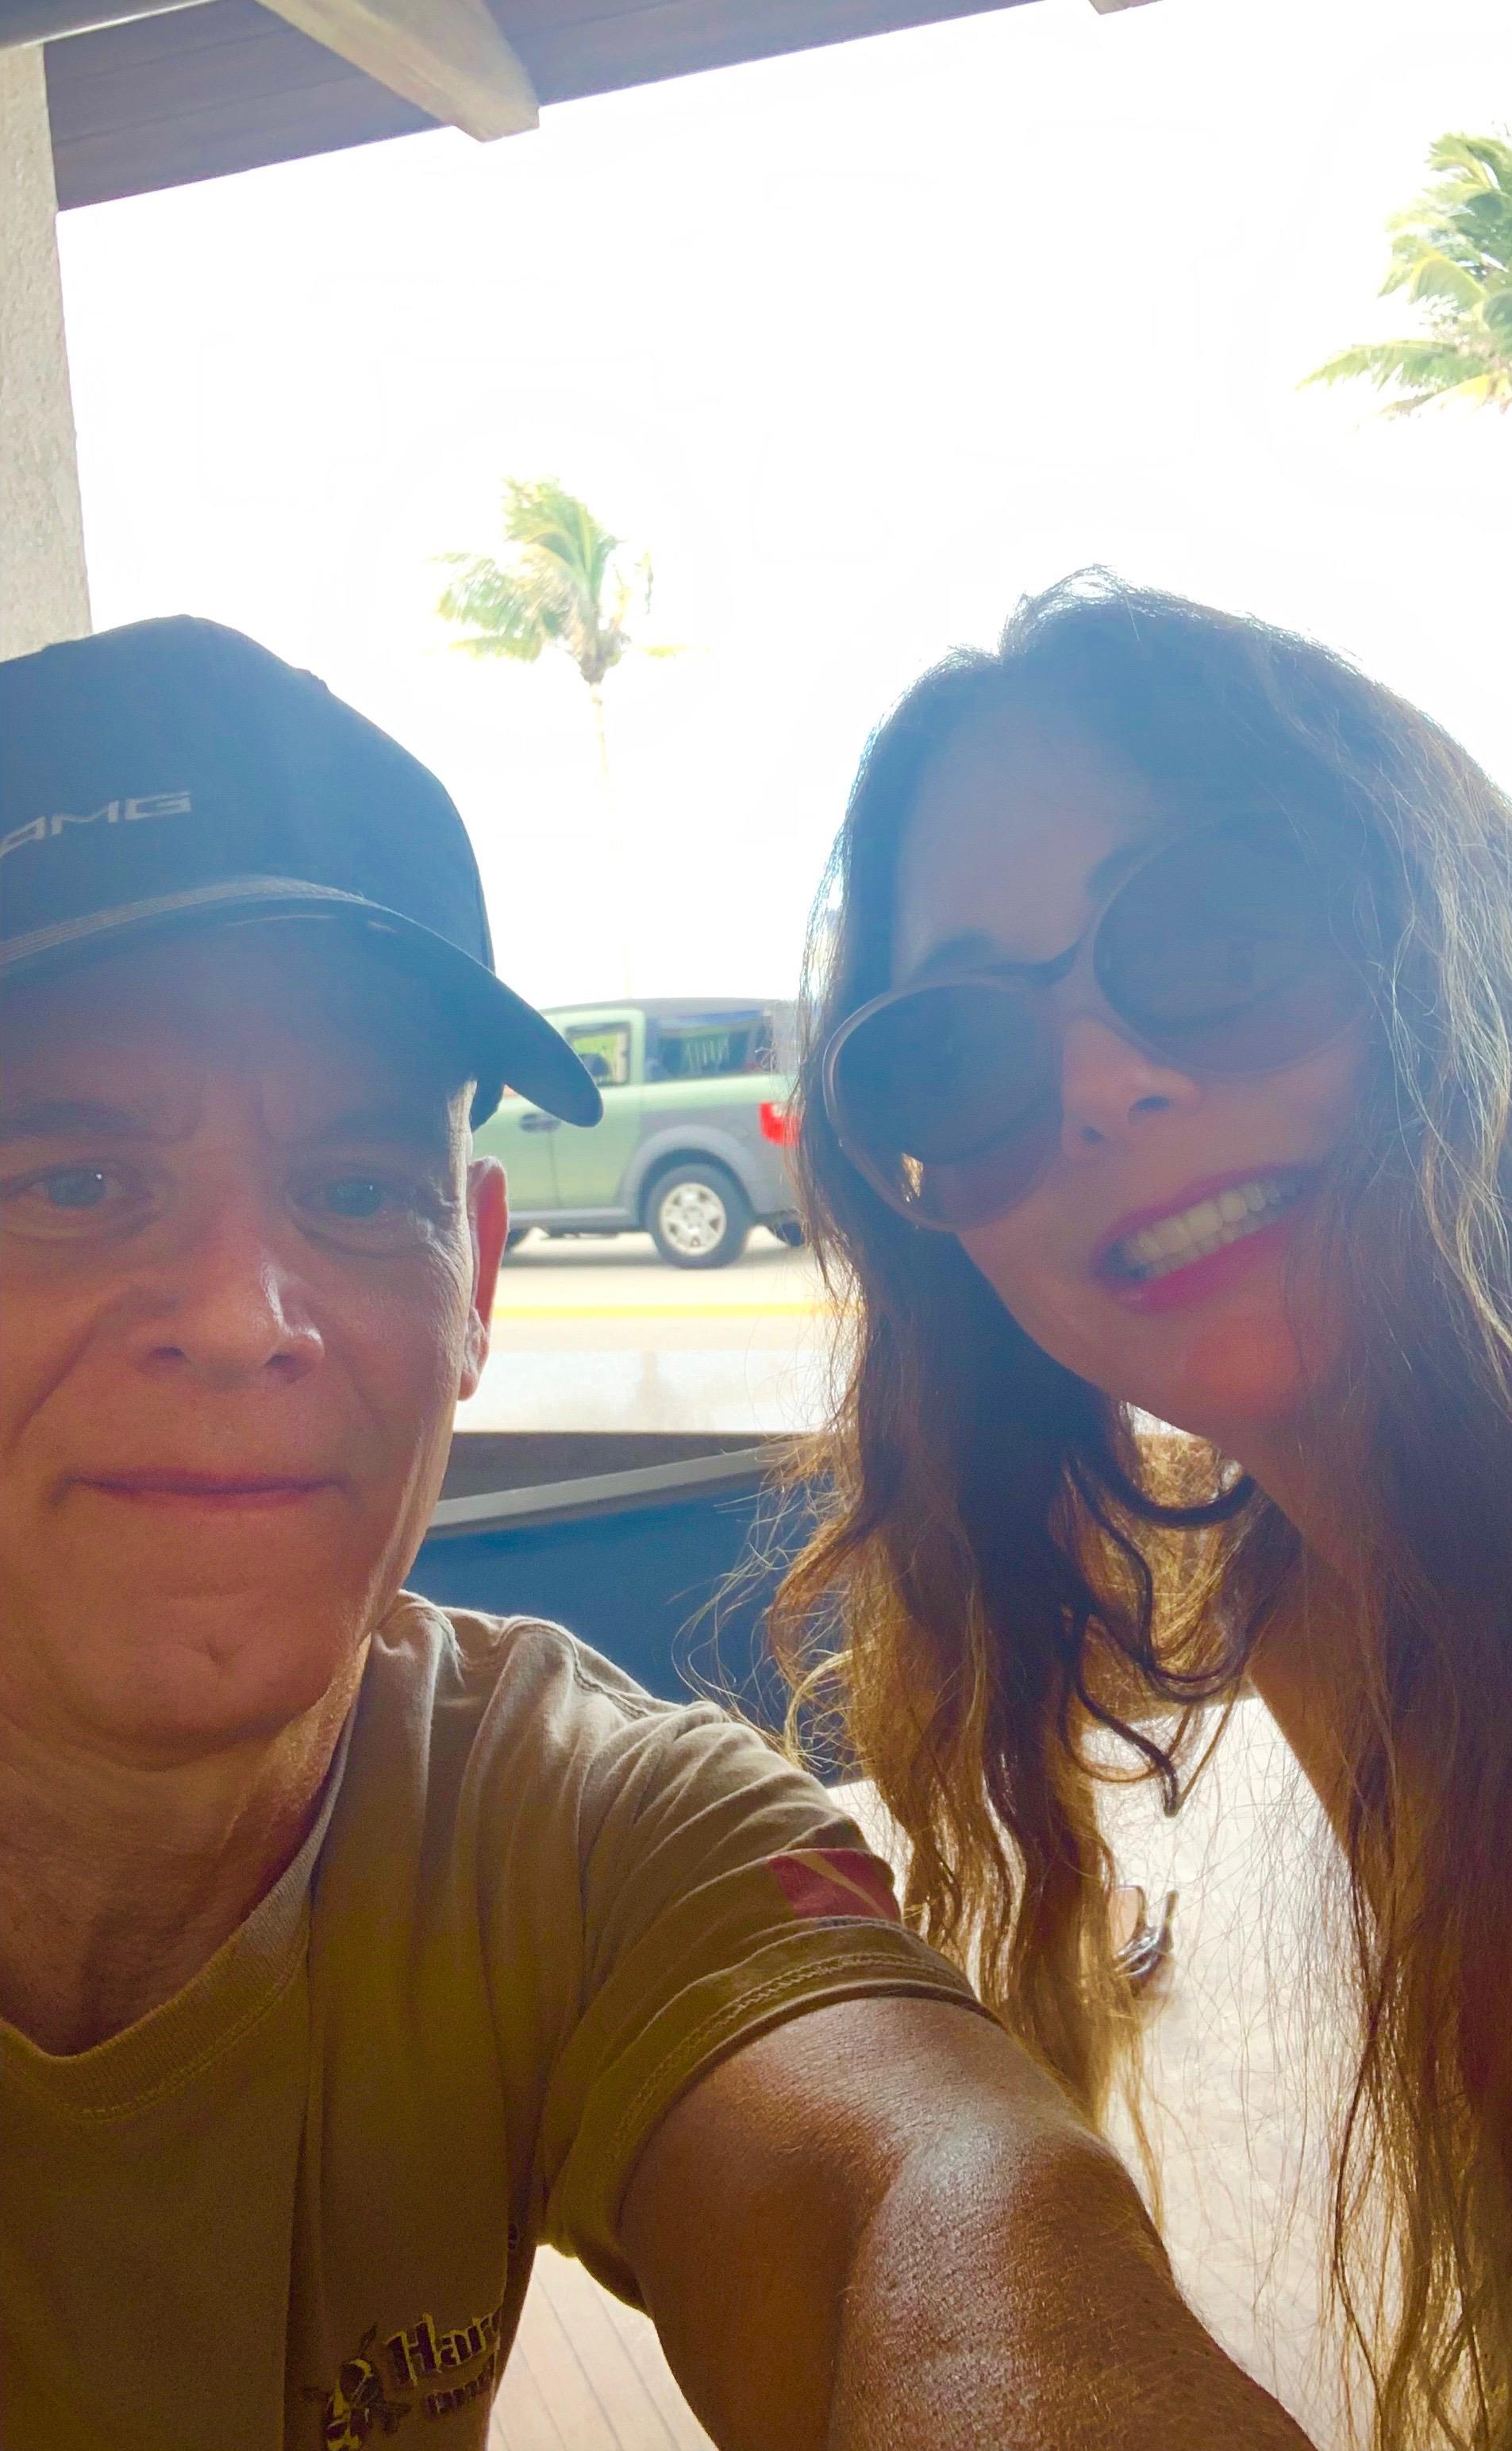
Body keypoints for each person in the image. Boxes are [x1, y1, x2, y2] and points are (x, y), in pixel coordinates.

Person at [0, 615, 1314, 2451]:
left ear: (474, 1273)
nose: (243, 1310)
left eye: (357, 1187)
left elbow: (919, 2194)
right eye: (74, 1179)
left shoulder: (564, 1827)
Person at [781, 574, 1512, 2451]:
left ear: (1439, 931)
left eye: (1209, 928)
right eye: (953, 1052)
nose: (1104, 1082)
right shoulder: (1321, 1621)